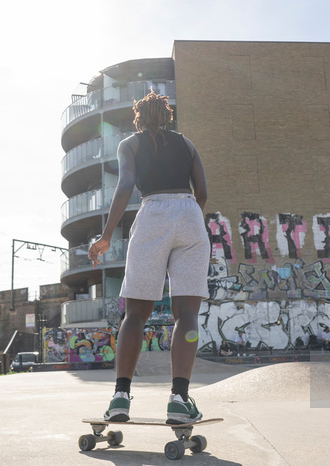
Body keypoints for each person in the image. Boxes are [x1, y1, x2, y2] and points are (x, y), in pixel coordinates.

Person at [88, 89, 209, 424]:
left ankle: (120, 397)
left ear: (138, 119)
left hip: (153, 212)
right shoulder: (187, 144)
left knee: (136, 313)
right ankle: (179, 398)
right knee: (187, 313)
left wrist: (107, 235)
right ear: (168, 117)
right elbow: (203, 193)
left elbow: (125, 184)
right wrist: (188, 219)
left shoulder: (130, 144)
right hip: (189, 216)